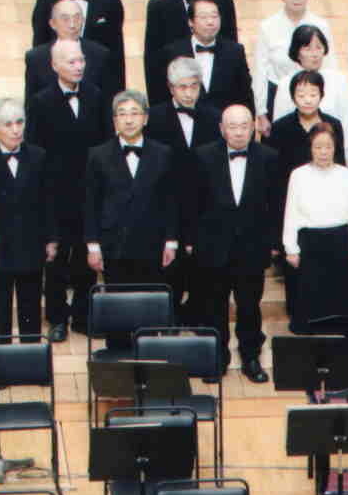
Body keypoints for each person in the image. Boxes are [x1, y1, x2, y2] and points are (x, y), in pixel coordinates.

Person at [188, 105, 280, 383]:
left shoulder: (269, 157)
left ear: (253, 127)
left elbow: (275, 204)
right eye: (232, 126)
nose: (239, 132)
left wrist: (273, 242)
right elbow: (191, 203)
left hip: (252, 247)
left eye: (244, 126)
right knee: (214, 305)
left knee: (250, 305)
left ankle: (251, 356)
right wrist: (193, 241)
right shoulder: (202, 156)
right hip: (214, 246)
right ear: (221, 128)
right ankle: (217, 358)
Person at [84, 90, 179, 351]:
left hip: (152, 246)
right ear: (114, 120)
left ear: (145, 118)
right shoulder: (98, 155)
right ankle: (119, 365)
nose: (128, 120)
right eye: (122, 114)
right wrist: (93, 245)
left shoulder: (163, 153)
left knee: (149, 311)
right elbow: (90, 204)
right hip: (114, 246)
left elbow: (171, 201)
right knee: (117, 310)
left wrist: (171, 241)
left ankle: (148, 365)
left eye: (135, 113)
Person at [26, 40, 107, 341]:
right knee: (57, 259)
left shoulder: (96, 95)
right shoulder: (40, 101)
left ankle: (83, 315)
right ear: (54, 65)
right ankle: (57, 318)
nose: (79, 66)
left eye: (81, 60)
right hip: (55, 193)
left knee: (86, 256)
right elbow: (35, 149)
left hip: (89, 191)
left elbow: (104, 143)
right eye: (72, 61)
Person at [266, 69, 347, 318]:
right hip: (294, 208)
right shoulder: (280, 128)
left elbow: (341, 167)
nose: (307, 100)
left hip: (329, 209)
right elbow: (274, 179)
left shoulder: (334, 125)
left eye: (313, 93)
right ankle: (300, 318)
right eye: (301, 94)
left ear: (322, 95)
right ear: (293, 97)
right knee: (297, 271)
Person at [146, 57, 221, 323]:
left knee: (202, 266)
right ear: (170, 88)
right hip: (167, 202)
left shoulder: (214, 117)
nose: (189, 93)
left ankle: (198, 314)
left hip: (203, 204)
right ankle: (170, 318)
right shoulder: (154, 117)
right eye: (182, 87)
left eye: (194, 86)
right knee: (170, 267)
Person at [283, 124, 348, 334]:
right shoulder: (298, 175)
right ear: (310, 148)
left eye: (328, 146)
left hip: (340, 242)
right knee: (310, 301)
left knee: (342, 300)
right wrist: (291, 248)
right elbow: (291, 213)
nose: (323, 152)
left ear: (335, 147)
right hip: (310, 243)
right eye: (318, 147)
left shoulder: (346, 174)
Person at [0, 99, 57, 339]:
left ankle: (31, 353)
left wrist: (51, 239)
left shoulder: (39, 156)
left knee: (30, 308)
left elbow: (49, 201)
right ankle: (0, 355)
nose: (15, 130)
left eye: (19, 122)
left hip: (30, 244)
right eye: (8, 124)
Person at [144, 0, 238, 103]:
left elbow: (232, 49)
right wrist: (159, 107)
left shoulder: (223, 1)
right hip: (177, 99)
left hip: (220, 98)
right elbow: (153, 61)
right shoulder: (159, 6)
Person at [31, 0, 126, 90]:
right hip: (56, 85)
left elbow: (116, 53)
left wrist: (118, 94)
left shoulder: (109, 0)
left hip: (97, 86)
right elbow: (39, 47)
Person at [252, 0, 334, 126]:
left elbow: (330, 64)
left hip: (313, 95)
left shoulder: (321, 25)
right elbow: (260, 71)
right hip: (277, 94)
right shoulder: (268, 26)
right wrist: (261, 112)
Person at [268, 25, 348, 164]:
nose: (315, 54)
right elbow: (279, 126)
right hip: (294, 158)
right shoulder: (285, 83)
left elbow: (347, 123)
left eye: (319, 48)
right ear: (297, 53)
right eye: (308, 49)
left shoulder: (338, 80)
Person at [151, 0, 254, 111]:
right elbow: (162, 94)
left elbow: (246, 95)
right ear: (190, 22)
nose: (210, 22)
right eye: (203, 17)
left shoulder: (235, 51)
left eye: (214, 16)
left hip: (224, 119)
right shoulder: (173, 52)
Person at [24, 0, 115, 111]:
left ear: (83, 20)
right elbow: (31, 104)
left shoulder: (100, 54)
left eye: (77, 18)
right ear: (52, 24)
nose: (72, 25)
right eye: (65, 19)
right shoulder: (36, 57)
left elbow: (107, 101)